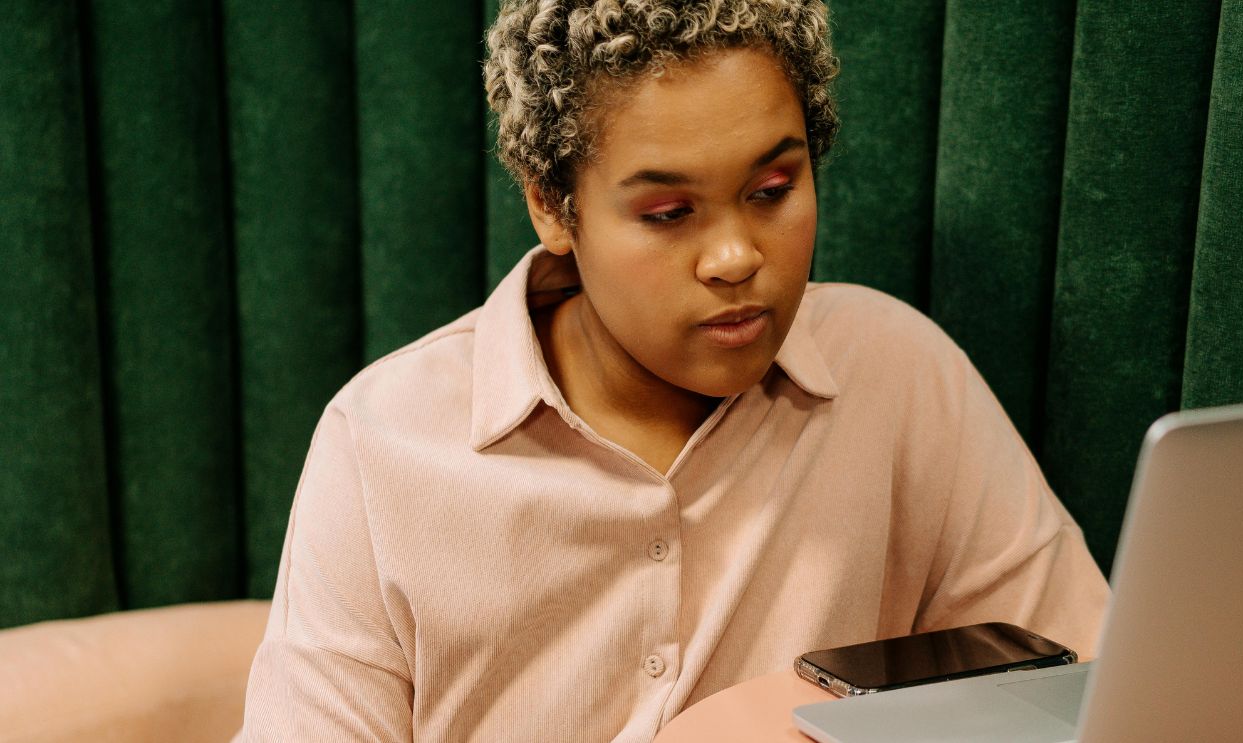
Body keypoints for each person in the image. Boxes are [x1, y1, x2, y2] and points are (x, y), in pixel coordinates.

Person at [235, 1, 1109, 740]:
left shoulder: (900, 372)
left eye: (771, 190)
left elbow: (1098, 688)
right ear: (551, 202)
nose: (735, 256)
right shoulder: (380, 441)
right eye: (666, 212)